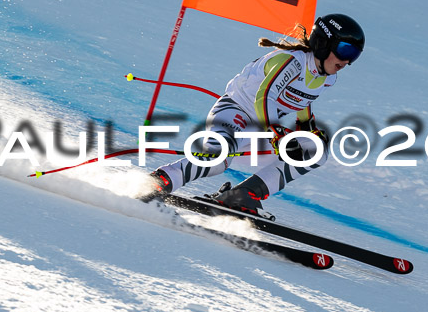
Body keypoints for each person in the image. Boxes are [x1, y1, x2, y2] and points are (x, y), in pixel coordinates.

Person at [137, 13, 365, 215]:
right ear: (324, 44)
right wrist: (277, 132)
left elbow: (303, 98)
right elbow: (265, 95)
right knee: (217, 160)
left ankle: (245, 195)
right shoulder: (292, 62)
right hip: (236, 112)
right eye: (345, 50)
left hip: (262, 129)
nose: (347, 61)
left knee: (315, 150)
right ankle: (160, 181)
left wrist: (306, 128)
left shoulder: (327, 77)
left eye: (354, 55)